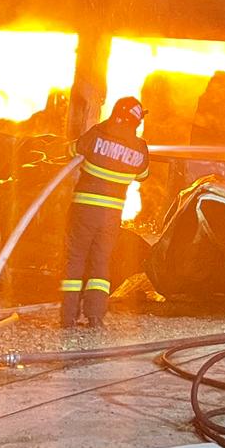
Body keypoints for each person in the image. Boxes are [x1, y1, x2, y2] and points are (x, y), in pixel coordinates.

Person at [60, 96, 149, 329]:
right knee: (101, 262)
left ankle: (68, 317)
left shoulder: (97, 134)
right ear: (136, 121)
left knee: (75, 259)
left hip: (84, 210)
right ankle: (95, 316)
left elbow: (71, 150)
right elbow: (142, 174)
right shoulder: (140, 147)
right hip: (111, 216)